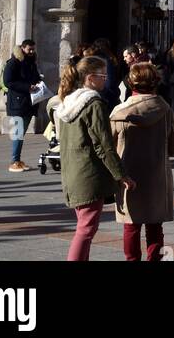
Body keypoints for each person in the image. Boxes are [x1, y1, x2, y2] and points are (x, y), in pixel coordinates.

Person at [57, 54, 135, 261]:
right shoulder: (94, 104)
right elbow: (103, 145)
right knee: (86, 229)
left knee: (84, 226)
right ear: (90, 78)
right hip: (88, 175)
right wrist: (121, 175)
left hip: (72, 173)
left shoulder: (68, 102)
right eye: (103, 76)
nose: (106, 80)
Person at [110, 62, 174, 261]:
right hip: (157, 174)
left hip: (128, 174)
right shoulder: (164, 109)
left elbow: (108, 147)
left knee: (130, 225)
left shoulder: (119, 112)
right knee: (155, 225)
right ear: (155, 82)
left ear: (130, 83)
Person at [3, 39, 41, 172]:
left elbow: (35, 77)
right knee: (18, 133)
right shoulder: (14, 62)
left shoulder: (31, 62)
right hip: (17, 103)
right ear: (23, 48)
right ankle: (14, 161)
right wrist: (27, 87)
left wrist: (38, 82)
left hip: (28, 103)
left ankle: (17, 160)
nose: (31, 51)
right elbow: (8, 82)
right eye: (29, 49)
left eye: (33, 49)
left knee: (21, 133)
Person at [89, 38, 120, 113]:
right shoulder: (105, 61)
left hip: (93, 97)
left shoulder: (90, 60)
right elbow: (110, 83)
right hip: (106, 99)